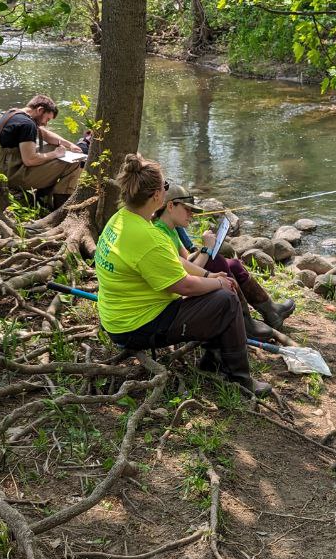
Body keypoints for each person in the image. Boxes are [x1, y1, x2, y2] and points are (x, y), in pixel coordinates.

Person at [93, 153, 270, 398]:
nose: (166, 191)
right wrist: (218, 282)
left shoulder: (122, 219)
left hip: (118, 318)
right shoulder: (149, 237)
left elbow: (173, 261)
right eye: (165, 187)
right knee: (225, 299)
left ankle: (213, 358)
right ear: (157, 196)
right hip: (135, 326)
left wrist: (209, 273)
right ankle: (240, 380)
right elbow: (184, 286)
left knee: (214, 291)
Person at [153, 184, 295, 339]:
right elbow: (184, 272)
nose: (191, 214)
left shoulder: (171, 228)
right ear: (171, 206)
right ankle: (244, 323)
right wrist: (207, 249)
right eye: (187, 209)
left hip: (184, 280)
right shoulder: (160, 233)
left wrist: (203, 249)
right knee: (218, 262)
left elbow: (186, 260)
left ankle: (271, 311)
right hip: (174, 294)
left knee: (233, 264)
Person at [0, 94, 85, 209]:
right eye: (47, 119)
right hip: (12, 176)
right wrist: (55, 154)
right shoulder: (27, 124)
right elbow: (30, 160)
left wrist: (69, 145)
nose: (46, 123)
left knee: (52, 146)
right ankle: (60, 207)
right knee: (74, 163)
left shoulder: (14, 113)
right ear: (40, 110)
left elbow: (44, 134)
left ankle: (43, 198)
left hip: (2, 169)